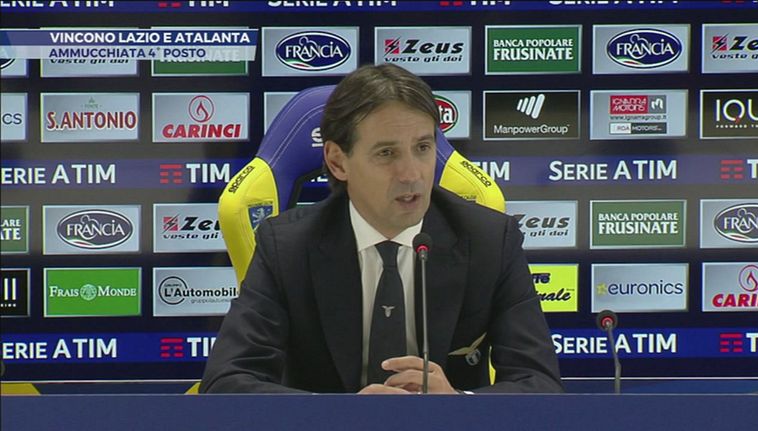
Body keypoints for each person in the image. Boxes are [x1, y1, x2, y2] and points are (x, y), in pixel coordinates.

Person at [200, 64, 563, 394]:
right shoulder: (287, 247)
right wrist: (346, 416)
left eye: (423, 148)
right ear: (337, 161)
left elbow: (540, 384)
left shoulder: (490, 240)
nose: (411, 174)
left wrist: (457, 405)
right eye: (387, 153)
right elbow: (226, 382)